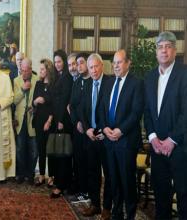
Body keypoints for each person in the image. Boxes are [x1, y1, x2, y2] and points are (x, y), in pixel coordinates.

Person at [144, 31, 187, 219]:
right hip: (157, 149)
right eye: (160, 47)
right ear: (156, 52)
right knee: (161, 196)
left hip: (180, 148)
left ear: (174, 50)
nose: (163, 50)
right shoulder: (149, 77)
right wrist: (153, 138)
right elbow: (147, 112)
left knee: (184, 196)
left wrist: (171, 140)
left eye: (168, 46)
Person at [99, 49, 144, 220]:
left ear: (128, 63)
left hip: (126, 141)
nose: (116, 66)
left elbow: (136, 112)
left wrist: (120, 130)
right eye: (114, 63)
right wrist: (104, 128)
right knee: (113, 180)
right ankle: (117, 213)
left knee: (127, 182)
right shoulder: (109, 82)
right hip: (109, 140)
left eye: (119, 62)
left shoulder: (136, 83)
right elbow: (102, 109)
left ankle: (130, 215)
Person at [79, 53, 112, 219]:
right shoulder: (87, 85)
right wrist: (87, 129)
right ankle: (95, 204)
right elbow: (81, 110)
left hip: (105, 138)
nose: (93, 70)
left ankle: (107, 207)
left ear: (102, 66)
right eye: (90, 67)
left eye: (95, 66)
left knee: (108, 174)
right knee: (92, 172)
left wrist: (102, 130)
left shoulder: (110, 83)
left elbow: (111, 111)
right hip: (90, 137)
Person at [50, 49, 73, 198]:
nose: (57, 64)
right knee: (58, 153)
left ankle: (61, 185)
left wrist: (60, 121)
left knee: (63, 155)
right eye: (55, 62)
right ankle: (60, 181)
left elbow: (65, 101)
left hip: (63, 122)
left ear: (64, 62)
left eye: (59, 61)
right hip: (57, 119)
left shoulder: (67, 77)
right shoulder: (58, 76)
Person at [69, 52, 91, 201]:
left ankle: (89, 192)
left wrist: (84, 125)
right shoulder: (77, 83)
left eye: (81, 62)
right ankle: (81, 190)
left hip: (90, 129)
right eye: (77, 63)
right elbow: (72, 106)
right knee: (78, 161)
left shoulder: (93, 82)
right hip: (78, 128)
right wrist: (76, 122)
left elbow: (92, 107)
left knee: (89, 162)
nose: (78, 66)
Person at [13, 58, 38, 184]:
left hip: (32, 119)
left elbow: (41, 98)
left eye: (26, 70)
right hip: (20, 120)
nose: (24, 73)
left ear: (30, 68)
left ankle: (31, 174)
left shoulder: (37, 79)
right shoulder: (16, 81)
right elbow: (14, 101)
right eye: (21, 70)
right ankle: (21, 174)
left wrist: (35, 108)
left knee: (33, 150)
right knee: (20, 149)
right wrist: (23, 90)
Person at [32, 58, 57, 186]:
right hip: (38, 122)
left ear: (48, 70)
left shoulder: (53, 85)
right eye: (40, 69)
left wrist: (49, 121)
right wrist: (36, 101)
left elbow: (54, 105)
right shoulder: (38, 84)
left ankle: (51, 176)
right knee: (41, 150)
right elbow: (33, 102)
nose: (40, 71)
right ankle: (42, 175)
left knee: (50, 151)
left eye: (42, 69)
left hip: (49, 122)